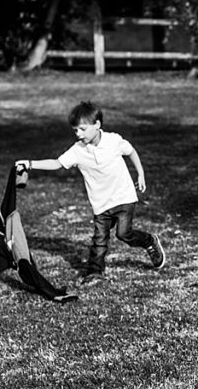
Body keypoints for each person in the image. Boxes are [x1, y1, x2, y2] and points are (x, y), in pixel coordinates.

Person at [15, 101, 166, 285]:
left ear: (97, 126)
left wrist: (141, 174)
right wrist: (30, 164)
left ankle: (149, 241)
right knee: (100, 240)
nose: (78, 134)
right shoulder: (78, 150)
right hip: (100, 203)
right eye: (75, 130)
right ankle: (95, 273)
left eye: (82, 129)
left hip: (123, 197)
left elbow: (131, 151)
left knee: (123, 234)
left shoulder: (113, 140)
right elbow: (57, 163)